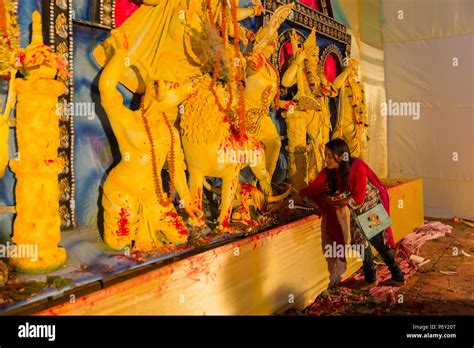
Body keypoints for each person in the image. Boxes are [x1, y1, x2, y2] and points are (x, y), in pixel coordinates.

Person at [299, 138, 405, 288]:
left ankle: (397, 276)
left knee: (378, 242)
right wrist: (299, 194)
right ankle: (371, 278)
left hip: (370, 207)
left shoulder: (357, 166)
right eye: (325, 155)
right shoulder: (330, 171)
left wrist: (333, 202)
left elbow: (359, 198)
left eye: (329, 156)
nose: (326, 159)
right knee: (360, 242)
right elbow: (315, 186)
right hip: (355, 209)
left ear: (341, 156)